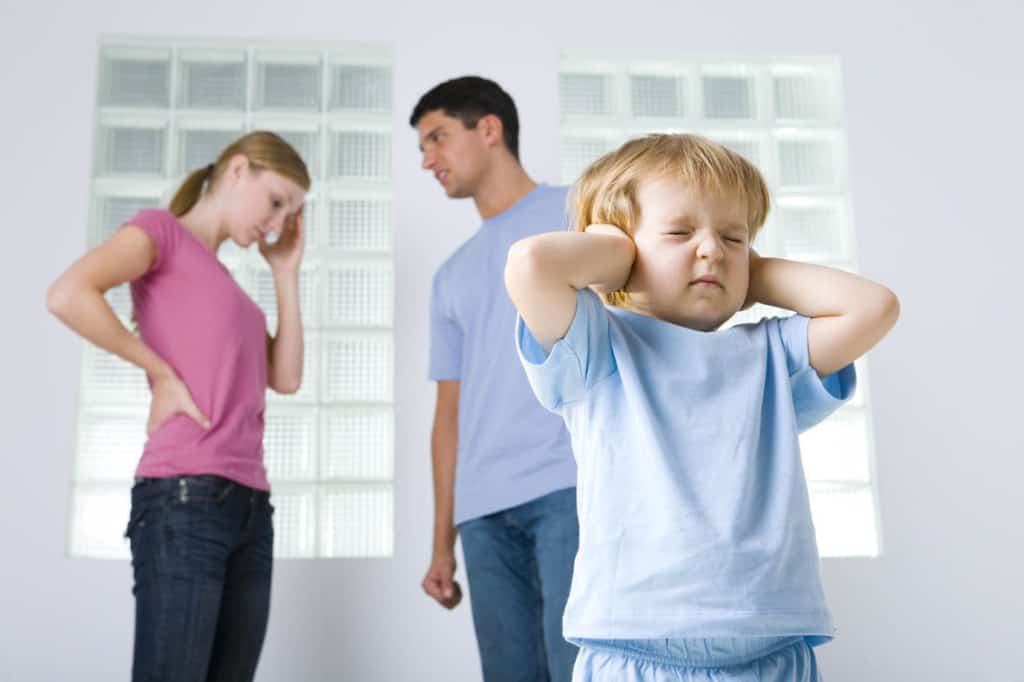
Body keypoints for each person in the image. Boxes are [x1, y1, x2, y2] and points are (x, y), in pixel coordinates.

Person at [505, 133, 900, 681]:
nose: (711, 249)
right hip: (633, 648)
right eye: (679, 232)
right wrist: (618, 258)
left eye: (734, 236)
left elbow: (874, 307)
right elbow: (532, 264)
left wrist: (749, 276)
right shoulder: (598, 347)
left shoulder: (773, 354)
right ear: (617, 249)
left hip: (772, 649)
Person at [46, 131, 310, 682]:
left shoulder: (233, 293)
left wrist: (285, 273)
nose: (277, 222)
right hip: (186, 500)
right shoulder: (161, 233)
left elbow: (285, 377)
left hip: (251, 509)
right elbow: (69, 293)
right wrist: (159, 371)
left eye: (291, 213)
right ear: (238, 170)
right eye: (277, 201)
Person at [411, 76, 580, 681]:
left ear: (489, 129)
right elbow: (448, 415)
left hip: (570, 491)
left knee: (582, 671)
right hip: (483, 515)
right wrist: (441, 541)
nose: (427, 159)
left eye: (437, 137)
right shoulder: (449, 277)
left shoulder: (576, 212)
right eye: (422, 146)